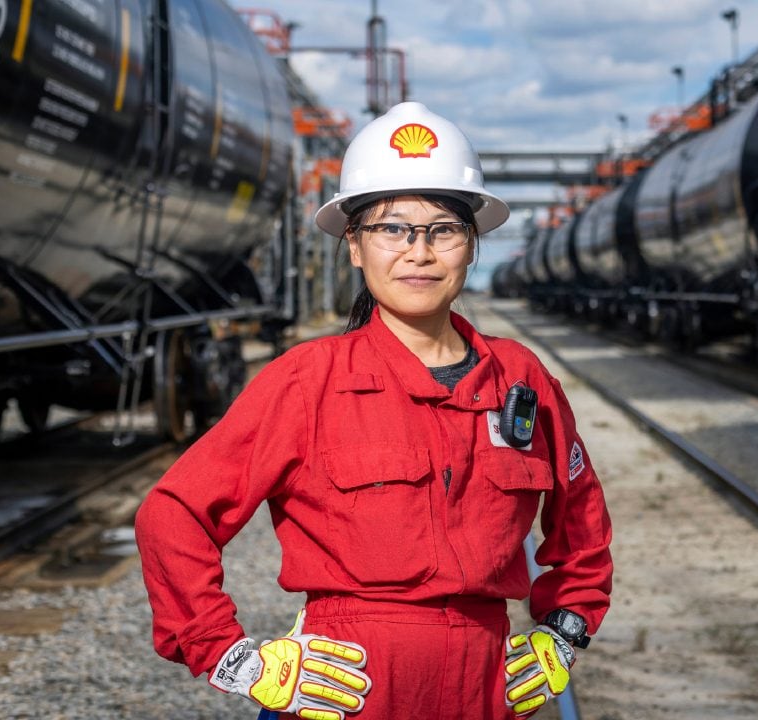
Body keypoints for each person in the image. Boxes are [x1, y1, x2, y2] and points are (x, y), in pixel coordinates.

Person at [136, 101, 613, 720]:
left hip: (483, 685)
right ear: (355, 248)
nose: (419, 252)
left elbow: (583, 529)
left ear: (471, 246)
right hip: (348, 688)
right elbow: (173, 515)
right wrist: (231, 658)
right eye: (392, 228)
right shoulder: (308, 382)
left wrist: (564, 632)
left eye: (443, 229)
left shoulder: (521, 379)